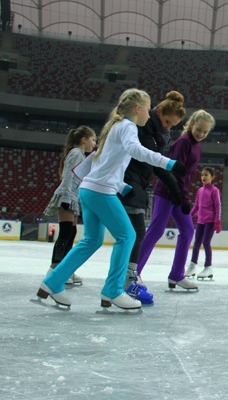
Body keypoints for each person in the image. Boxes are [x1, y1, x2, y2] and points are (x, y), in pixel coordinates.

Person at [34, 88, 186, 310]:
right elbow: (136, 150)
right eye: (147, 108)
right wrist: (168, 163)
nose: (149, 113)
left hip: (89, 190)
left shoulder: (114, 127)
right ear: (137, 108)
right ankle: (113, 290)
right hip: (100, 191)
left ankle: (53, 282)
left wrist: (123, 187)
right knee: (128, 236)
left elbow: (100, 165)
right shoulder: (128, 126)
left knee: (92, 241)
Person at [119, 91, 187, 305]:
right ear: (158, 112)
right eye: (167, 122)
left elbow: (155, 164)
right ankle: (125, 284)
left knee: (121, 236)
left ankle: (119, 283)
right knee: (134, 234)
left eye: (172, 125)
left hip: (135, 182)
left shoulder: (157, 133)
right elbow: (153, 160)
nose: (168, 128)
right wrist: (174, 182)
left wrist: (176, 190)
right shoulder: (141, 129)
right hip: (128, 182)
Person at [136, 109, 216, 292]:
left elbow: (186, 177)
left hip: (178, 195)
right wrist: (184, 198)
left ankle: (176, 275)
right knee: (156, 231)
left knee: (188, 231)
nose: (201, 134)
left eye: (205, 132)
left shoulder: (196, 146)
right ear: (191, 124)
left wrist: (183, 196)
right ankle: (134, 271)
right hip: (166, 192)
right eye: (199, 129)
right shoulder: (184, 142)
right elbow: (175, 172)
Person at [43, 125, 97, 286]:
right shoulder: (75, 153)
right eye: (93, 139)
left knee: (71, 232)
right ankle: (54, 268)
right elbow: (67, 175)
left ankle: (66, 269)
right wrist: (66, 196)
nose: (94, 143)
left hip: (73, 195)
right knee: (66, 232)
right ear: (84, 139)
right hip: (67, 195)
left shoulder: (81, 155)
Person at [185, 166, 222, 280]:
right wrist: (188, 216)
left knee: (206, 242)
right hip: (200, 221)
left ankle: (208, 267)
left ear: (212, 177)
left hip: (210, 221)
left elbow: (217, 206)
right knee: (196, 243)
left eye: (206, 175)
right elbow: (196, 205)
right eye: (202, 175)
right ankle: (192, 266)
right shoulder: (200, 190)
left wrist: (218, 221)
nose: (203, 177)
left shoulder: (214, 190)